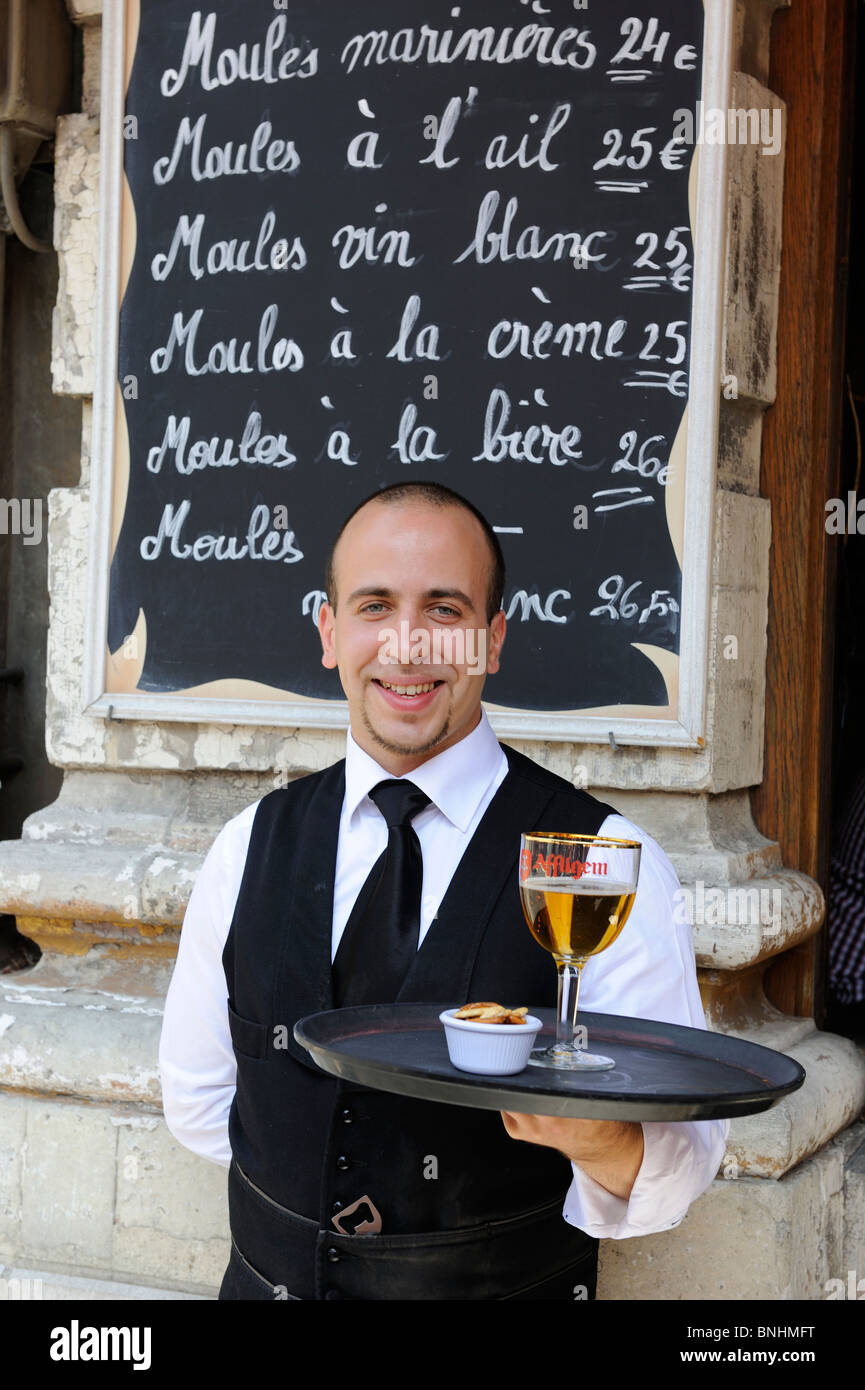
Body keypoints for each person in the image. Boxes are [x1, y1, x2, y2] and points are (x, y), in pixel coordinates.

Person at [159, 481, 728, 1301]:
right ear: (329, 632)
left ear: (492, 641)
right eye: (374, 606)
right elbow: (203, 1101)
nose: (406, 646)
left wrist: (598, 1139)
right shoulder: (249, 843)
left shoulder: (600, 861)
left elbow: (681, 1167)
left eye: (445, 611)